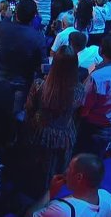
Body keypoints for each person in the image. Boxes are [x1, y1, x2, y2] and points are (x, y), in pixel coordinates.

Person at [23, 46, 85, 194]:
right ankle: (53, 192)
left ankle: (38, 193)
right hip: (65, 133)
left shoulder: (40, 85)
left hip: (41, 132)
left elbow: (29, 108)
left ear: (54, 63)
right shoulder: (79, 89)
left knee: (39, 167)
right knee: (58, 166)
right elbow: (77, 112)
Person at [27, 153, 111, 217]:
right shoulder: (107, 198)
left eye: (69, 168)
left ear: (79, 177)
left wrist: (50, 192)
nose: (65, 171)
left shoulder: (61, 210)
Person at [0, 0, 44, 114]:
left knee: (1, 110)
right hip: (21, 81)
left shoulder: (1, 27)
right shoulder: (37, 37)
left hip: (4, 76)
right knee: (15, 114)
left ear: (16, 13)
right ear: (33, 17)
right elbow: (41, 63)